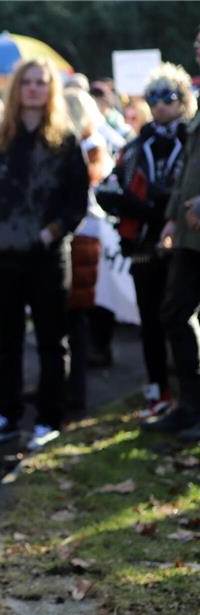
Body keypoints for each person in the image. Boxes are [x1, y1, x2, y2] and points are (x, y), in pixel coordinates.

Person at [0, 58, 89, 450]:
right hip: (1, 255)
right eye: (27, 82)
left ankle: (49, 418)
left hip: (48, 257)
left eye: (41, 82)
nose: (34, 88)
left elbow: (77, 201)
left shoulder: (64, 140)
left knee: (52, 340)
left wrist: (49, 233)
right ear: (17, 88)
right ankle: (6, 415)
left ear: (50, 89)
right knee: (8, 340)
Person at [98, 64, 194, 421]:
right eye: (153, 97)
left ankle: (188, 395)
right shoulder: (137, 144)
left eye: (168, 97)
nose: (160, 105)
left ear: (183, 100)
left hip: (184, 244)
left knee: (182, 320)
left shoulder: (191, 139)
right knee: (150, 322)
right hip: (142, 247)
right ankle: (157, 392)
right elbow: (112, 185)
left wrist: (156, 202)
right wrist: (135, 202)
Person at [143, 40, 200, 441]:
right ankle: (190, 406)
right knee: (174, 313)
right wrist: (170, 219)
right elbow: (190, 171)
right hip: (188, 232)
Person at [63, 88, 115, 412]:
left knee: (75, 316)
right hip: (78, 235)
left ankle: (75, 391)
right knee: (68, 318)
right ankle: (68, 385)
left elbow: (84, 187)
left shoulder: (90, 145)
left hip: (82, 237)